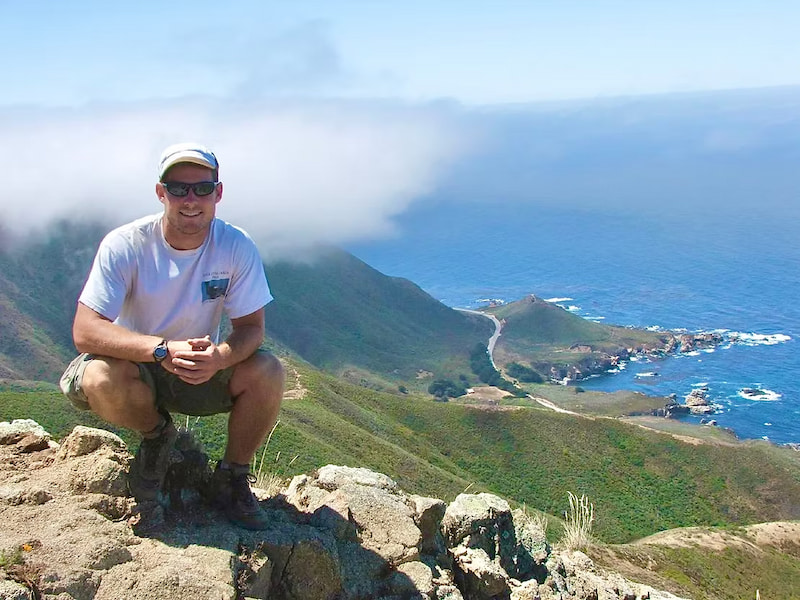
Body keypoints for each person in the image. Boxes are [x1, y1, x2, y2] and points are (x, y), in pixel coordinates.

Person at [59, 142, 284, 530]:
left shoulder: (235, 246)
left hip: (199, 367)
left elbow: (251, 330)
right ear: (161, 192)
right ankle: (158, 435)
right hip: (138, 367)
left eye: (202, 187)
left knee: (269, 371)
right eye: (178, 188)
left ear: (218, 192)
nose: (191, 199)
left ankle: (231, 477)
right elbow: (85, 329)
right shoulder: (126, 244)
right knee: (99, 377)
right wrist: (160, 350)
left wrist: (220, 357)